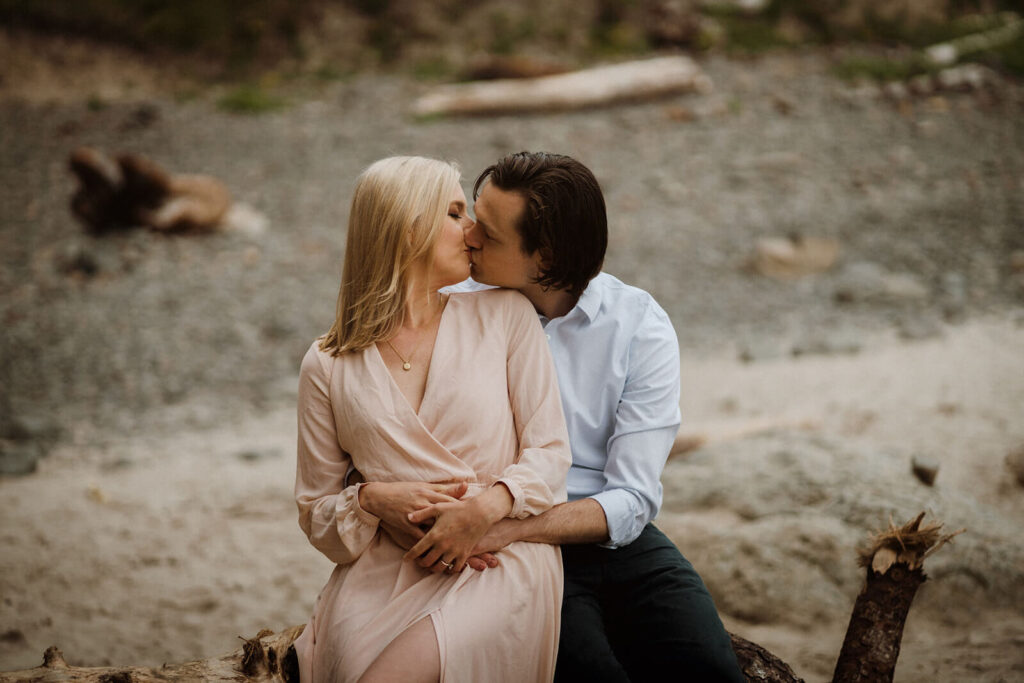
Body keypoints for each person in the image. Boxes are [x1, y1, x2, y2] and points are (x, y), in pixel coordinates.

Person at [437, 151, 747, 681]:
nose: (467, 236)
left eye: (487, 233)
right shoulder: (451, 308)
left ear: (546, 256)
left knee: (712, 671)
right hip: (499, 546)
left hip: (601, 535)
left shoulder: (637, 325)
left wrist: (518, 529)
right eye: (470, 218)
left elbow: (634, 497)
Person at [291, 156, 572, 683]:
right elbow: (316, 513)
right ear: (407, 227)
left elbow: (551, 452)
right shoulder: (327, 364)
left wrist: (485, 509)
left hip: (496, 558)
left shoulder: (506, 316)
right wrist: (372, 499)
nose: (473, 230)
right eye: (454, 212)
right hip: (382, 570)